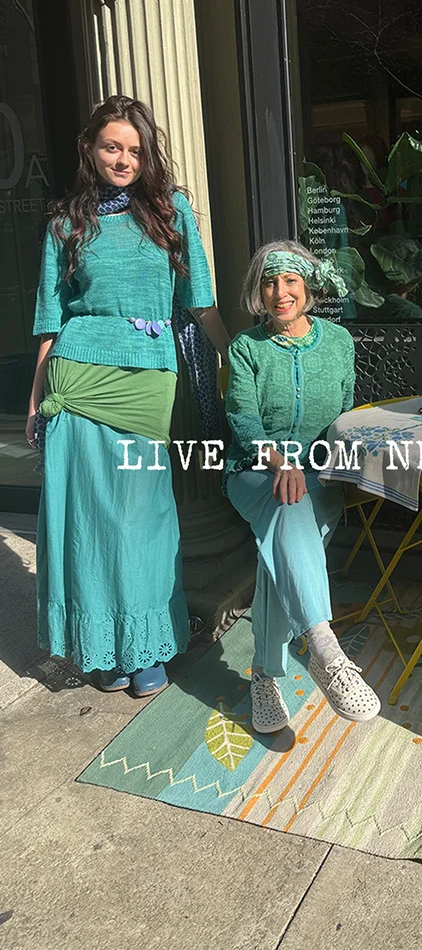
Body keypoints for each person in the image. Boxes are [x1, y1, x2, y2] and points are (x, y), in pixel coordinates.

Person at [28, 95, 231, 696]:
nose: (123, 158)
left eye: (135, 150)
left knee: (141, 516)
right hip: (75, 376)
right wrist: (36, 398)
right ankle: (104, 647)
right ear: (91, 150)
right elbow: (49, 317)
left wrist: (231, 354)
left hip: (146, 381)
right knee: (86, 521)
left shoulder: (171, 212)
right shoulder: (64, 223)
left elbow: (199, 298)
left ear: (147, 157)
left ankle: (145, 646)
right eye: (112, 146)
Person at [222, 241, 381, 733]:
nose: (280, 292)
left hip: (320, 475)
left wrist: (358, 465)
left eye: (290, 281)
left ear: (307, 287)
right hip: (254, 470)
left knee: (278, 565)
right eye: (269, 282)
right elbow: (242, 418)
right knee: (287, 507)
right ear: (258, 291)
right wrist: (278, 460)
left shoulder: (338, 342)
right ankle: (325, 649)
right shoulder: (247, 348)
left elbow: (346, 415)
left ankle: (265, 677)